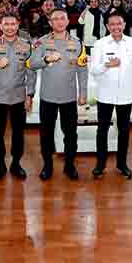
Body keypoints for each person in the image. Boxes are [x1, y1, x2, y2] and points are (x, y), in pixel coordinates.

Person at [29, 9, 89, 181]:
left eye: (63, 18)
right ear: (50, 23)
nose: (60, 22)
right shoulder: (41, 42)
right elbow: (32, 64)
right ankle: (47, 165)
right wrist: (46, 60)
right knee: (46, 133)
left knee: (70, 133)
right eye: (55, 19)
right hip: (48, 96)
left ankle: (70, 165)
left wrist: (83, 93)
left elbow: (82, 70)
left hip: (69, 97)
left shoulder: (77, 43)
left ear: (67, 21)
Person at [0, 13, 34, 180]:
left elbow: (31, 72)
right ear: (0, 26)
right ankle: (0, 164)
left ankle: (16, 163)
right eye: (6, 24)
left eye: (13, 24)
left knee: (18, 133)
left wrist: (30, 94)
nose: (10, 27)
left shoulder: (26, 46)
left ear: (18, 25)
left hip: (19, 95)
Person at [88, 12, 132, 179]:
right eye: (112, 24)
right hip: (105, 94)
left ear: (124, 25)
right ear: (107, 26)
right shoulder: (100, 44)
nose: (116, 27)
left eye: (119, 23)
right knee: (102, 130)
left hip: (126, 94)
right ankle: (100, 164)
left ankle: (122, 164)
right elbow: (94, 70)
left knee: (124, 131)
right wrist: (107, 65)